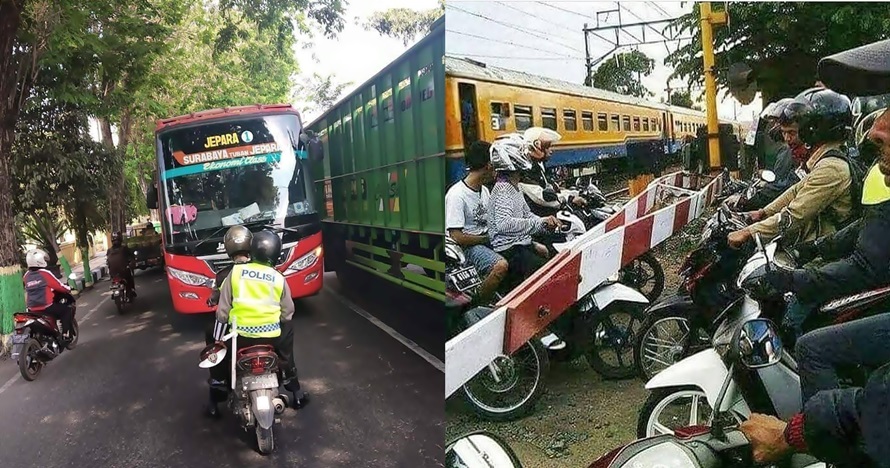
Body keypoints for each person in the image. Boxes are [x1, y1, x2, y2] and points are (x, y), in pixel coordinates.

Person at [741, 37, 890, 468]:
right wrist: (806, 246)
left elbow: (863, 258)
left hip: (857, 273)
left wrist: (796, 433)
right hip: (839, 260)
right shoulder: (824, 163)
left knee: (810, 342)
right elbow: (854, 226)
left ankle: (833, 455)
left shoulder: (834, 166)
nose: (877, 127)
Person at [728, 88, 855, 249]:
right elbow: (794, 191)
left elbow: (795, 215)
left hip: (826, 252)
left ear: (816, 130)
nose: (787, 138)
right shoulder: (822, 161)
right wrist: (763, 212)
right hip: (818, 243)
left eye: (793, 132)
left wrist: (748, 232)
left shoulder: (831, 167)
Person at [204, 229, 308, 417]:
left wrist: (219, 341)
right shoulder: (276, 275)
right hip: (272, 337)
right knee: (287, 329)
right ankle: (295, 388)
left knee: (214, 337)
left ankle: (217, 387)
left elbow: (222, 312)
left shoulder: (229, 274)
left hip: (239, 337)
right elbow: (287, 313)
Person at [488, 133, 559, 285]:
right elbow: (504, 224)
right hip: (509, 249)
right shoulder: (503, 189)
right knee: (550, 277)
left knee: (555, 256)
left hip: (519, 244)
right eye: (523, 152)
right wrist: (538, 223)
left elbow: (527, 214)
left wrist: (543, 221)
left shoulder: (514, 185)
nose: (527, 155)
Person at [445, 140, 509, 303]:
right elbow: (456, 237)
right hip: (467, 249)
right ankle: (477, 302)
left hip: (485, 242)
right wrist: (488, 238)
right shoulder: (456, 195)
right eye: (496, 165)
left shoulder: (485, 190)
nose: (497, 171)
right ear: (488, 165)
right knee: (500, 266)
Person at [518, 127, 586, 217]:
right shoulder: (526, 170)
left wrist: (575, 193)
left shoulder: (538, 166)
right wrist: (570, 199)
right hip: (541, 218)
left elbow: (551, 189)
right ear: (536, 146)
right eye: (547, 146)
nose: (551, 151)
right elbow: (540, 197)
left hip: (546, 213)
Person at [22, 249, 75, 341]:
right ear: (39, 261)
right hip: (46, 307)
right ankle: (65, 334)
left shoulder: (26, 276)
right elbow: (59, 286)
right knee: (66, 310)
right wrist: (69, 288)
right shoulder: (45, 273)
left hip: (31, 309)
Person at [206, 225, 253, 307]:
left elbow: (215, 300)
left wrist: (211, 301)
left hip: (238, 318)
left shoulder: (223, 275)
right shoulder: (264, 269)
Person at [105, 231, 136, 300]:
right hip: (123, 271)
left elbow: (107, 261)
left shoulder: (109, 250)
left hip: (113, 273)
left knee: (113, 279)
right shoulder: (124, 248)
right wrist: (132, 262)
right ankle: (131, 290)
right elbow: (131, 256)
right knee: (129, 277)